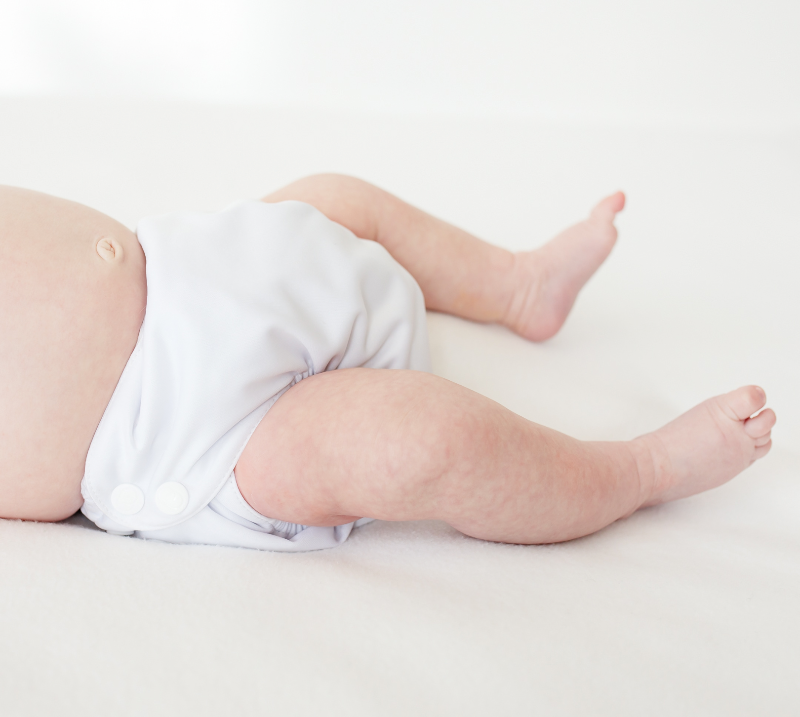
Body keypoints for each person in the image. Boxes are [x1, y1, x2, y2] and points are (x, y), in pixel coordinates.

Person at [0, 175, 775, 551]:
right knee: (419, 444)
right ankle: (635, 473)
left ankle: (519, 283)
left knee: (338, 202)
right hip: (193, 438)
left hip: (204, 268)